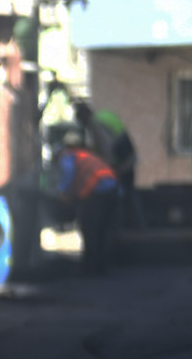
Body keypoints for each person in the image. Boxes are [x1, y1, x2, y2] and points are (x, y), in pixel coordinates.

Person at [56, 129, 119, 273]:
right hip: (113, 190)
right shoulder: (88, 155)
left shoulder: (69, 156)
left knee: (90, 229)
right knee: (103, 229)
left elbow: (68, 175)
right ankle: (102, 266)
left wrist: (63, 193)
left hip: (97, 192)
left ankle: (90, 267)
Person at [74, 99, 141, 226]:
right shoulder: (104, 115)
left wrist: (107, 169)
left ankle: (131, 224)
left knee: (123, 195)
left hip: (121, 163)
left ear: (84, 116)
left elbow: (106, 148)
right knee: (129, 192)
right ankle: (137, 223)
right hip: (128, 157)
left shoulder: (95, 124)